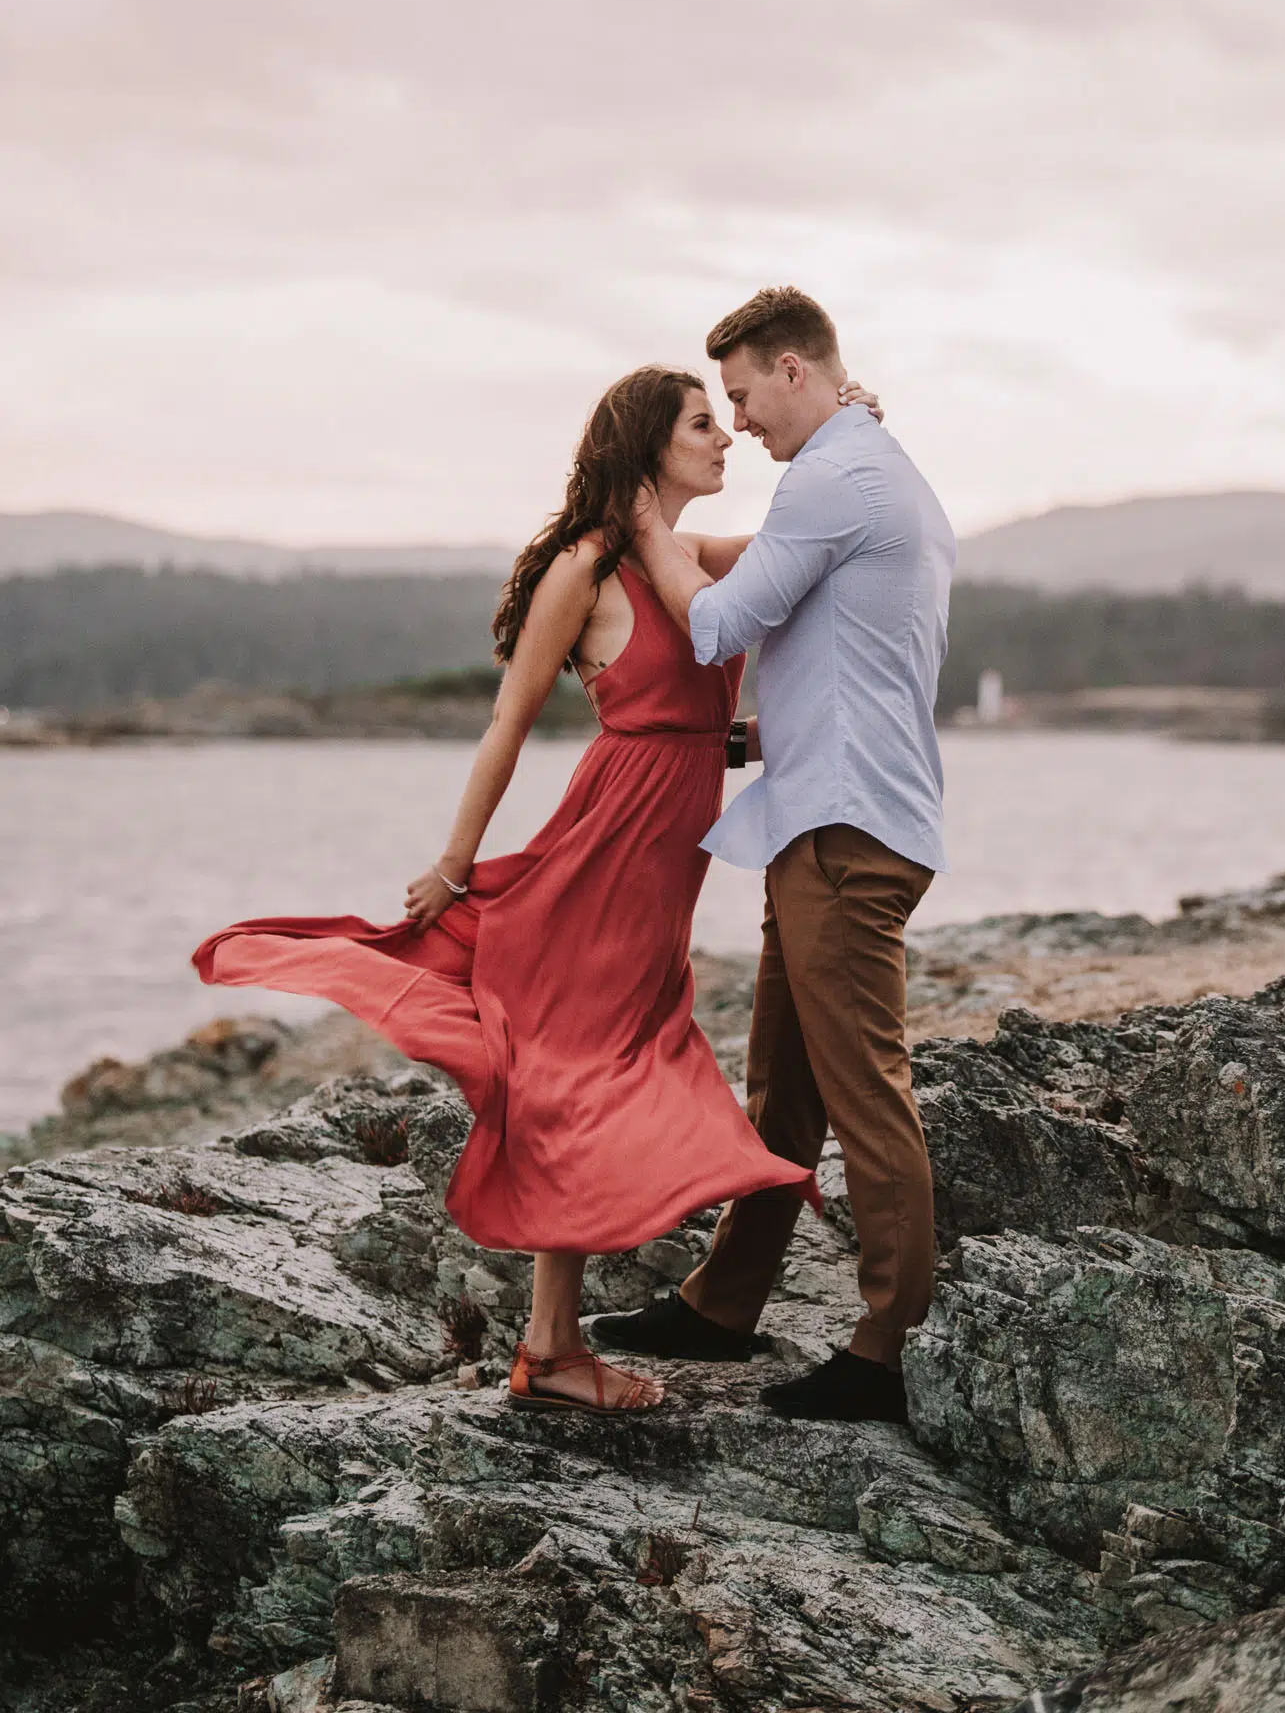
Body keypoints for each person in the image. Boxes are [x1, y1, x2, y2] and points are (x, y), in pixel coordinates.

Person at [193, 359, 880, 1415]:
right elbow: (508, 723)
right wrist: (454, 864)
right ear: (650, 442)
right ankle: (552, 1349)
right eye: (704, 421)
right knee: (578, 1068)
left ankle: (553, 1343)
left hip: (664, 865)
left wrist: (846, 436)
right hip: (606, 856)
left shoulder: (686, 556)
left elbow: (819, 558)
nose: (724, 436)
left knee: (589, 1072)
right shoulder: (588, 567)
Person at [593, 287, 955, 1423]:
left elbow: (712, 624)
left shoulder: (836, 479)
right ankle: (723, 1301)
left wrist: (640, 521)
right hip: (827, 815)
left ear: (795, 371)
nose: (739, 422)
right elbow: (811, 634)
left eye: (744, 394)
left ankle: (889, 1347)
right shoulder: (866, 465)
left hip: (847, 833)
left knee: (865, 1095)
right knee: (785, 1091)